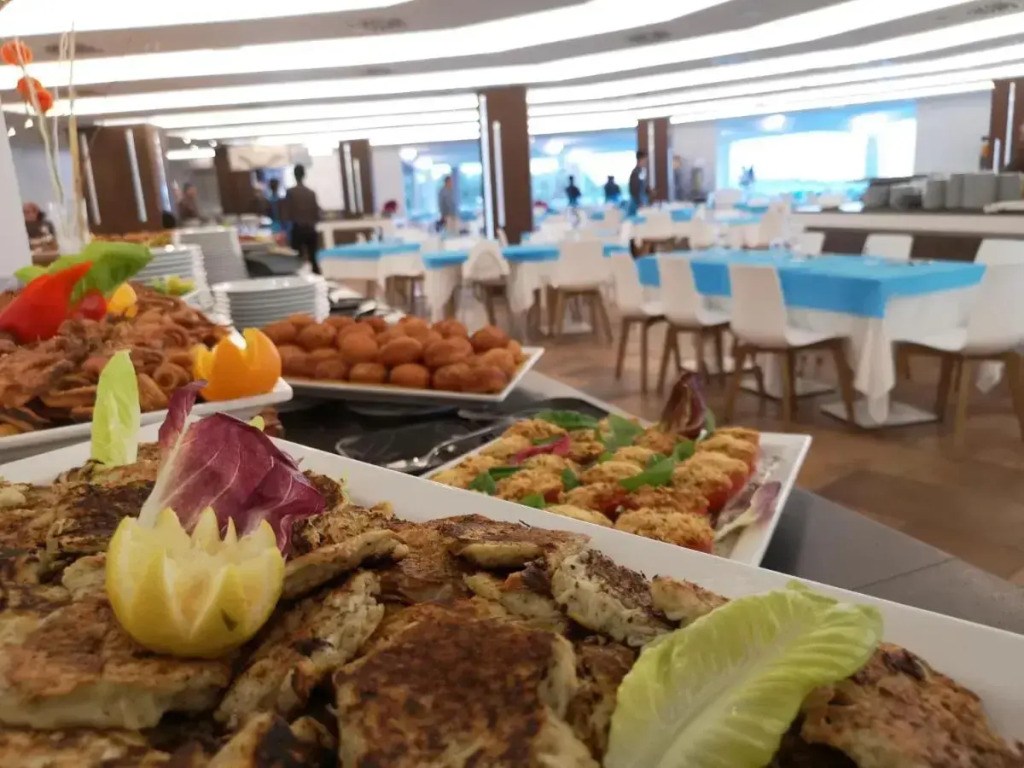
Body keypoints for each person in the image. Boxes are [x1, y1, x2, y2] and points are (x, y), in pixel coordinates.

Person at [282, 164, 322, 274]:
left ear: (294, 175)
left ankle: (300, 279)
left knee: (297, 259)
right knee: (313, 258)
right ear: (304, 175)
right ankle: (317, 278)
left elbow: (286, 213)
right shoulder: (311, 193)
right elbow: (317, 213)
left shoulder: (291, 192)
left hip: (297, 229)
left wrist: (285, 229)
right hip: (310, 229)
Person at [628, 150, 649, 217]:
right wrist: (640, 202)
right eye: (645, 160)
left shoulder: (641, 171)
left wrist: (648, 190)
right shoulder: (636, 172)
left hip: (639, 201)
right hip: (637, 203)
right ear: (641, 160)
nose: (646, 162)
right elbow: (634, 189)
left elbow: (641, 187)